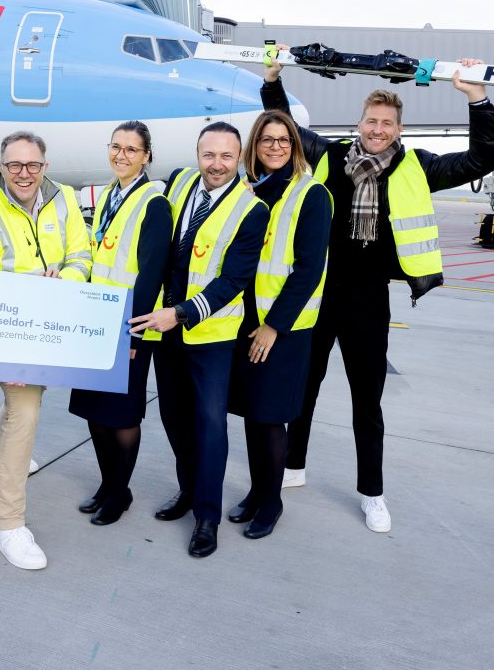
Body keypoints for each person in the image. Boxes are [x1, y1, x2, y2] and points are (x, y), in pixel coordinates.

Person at [261, 51, 494, 533]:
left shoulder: (418, 166)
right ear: (359, 123)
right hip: (319, 294)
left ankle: (372, 493)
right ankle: (293, 466)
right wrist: (272, 79)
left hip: (369, 299)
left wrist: (478, 99)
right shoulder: (329, 156)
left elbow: (481, 158)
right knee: (303, 388)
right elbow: (283, 127)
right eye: (371, 121)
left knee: (366, 400)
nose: (378, 129)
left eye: (387, 123)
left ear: (398, 129)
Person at [128, 122, 269, 558]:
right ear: (197, 154)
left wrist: (182, 313)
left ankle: (207, 517)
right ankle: (188, 491)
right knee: (173, 417)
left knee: (210, 426)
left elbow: (234, 280)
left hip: (209, 335)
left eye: (227, 156)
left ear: (239, 157)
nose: (217, 165)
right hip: (164, 329)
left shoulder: (252, 208)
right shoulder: (181, 182)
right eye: (209, 155)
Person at [0, 132, 92, 570]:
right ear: (0, 166)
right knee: (27, 411)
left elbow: (81, 255)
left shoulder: (66, 199)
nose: (24, 174)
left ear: (45, 166)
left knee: (28, 402)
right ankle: (9, 524)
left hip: (53, 323)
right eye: (14, 165)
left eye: (32, 165)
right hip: (8, 328)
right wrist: (33, 285)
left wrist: (63, 283)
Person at [226, 111, 331, 540]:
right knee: (253, 413)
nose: (274, 146)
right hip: (245, 320)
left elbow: (308, 269)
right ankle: (256, 492)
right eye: (266, 139)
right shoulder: (250, 191)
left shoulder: (312, 194)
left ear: (295, 146)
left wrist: (274, 325)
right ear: (255, 145)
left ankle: (272, 502)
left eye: (283, 140)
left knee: (270, 417)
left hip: (282, 328)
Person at [68, 121, 172, 526]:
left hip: (129, 326)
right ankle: (109, 483)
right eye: (116, 147)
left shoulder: (154, 202)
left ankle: (120, 493)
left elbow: (151, 272)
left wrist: (134, 331)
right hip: (98, 320)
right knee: (96, 411)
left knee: (123, 416)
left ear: (147, 156)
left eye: (132, 149)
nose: (122, 155)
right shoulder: (110, 194)